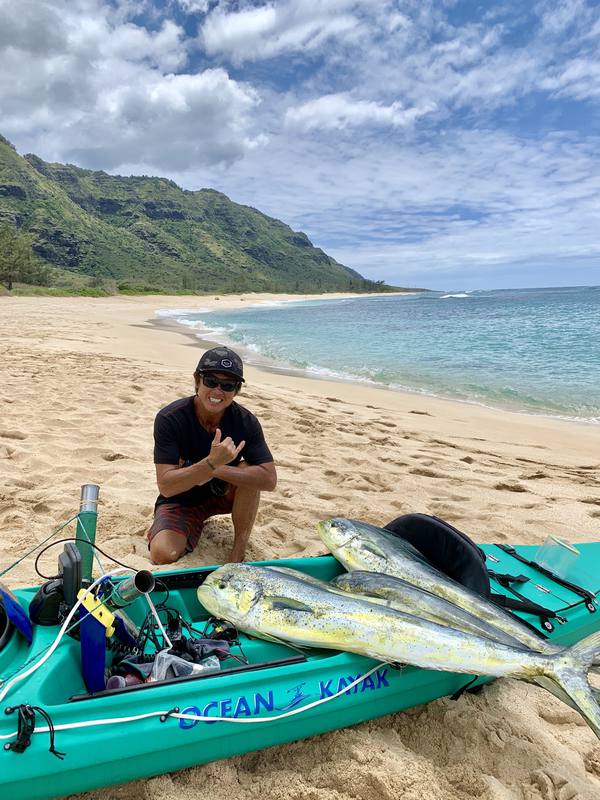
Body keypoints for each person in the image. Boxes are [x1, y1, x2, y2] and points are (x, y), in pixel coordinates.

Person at [147, 346, 277, 565]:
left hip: (223, 494)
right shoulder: (170, 418)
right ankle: (183, 524)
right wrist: (209, 463)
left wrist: (215, 468)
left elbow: (269, 479)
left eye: (227, 385)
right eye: (210, 381)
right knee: (162, 554)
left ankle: (238, 552)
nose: (218, 391)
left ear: (237, 391)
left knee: (250, 472)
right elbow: (167, 486)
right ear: (197, 380)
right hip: (181, 499)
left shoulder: (246, 422)